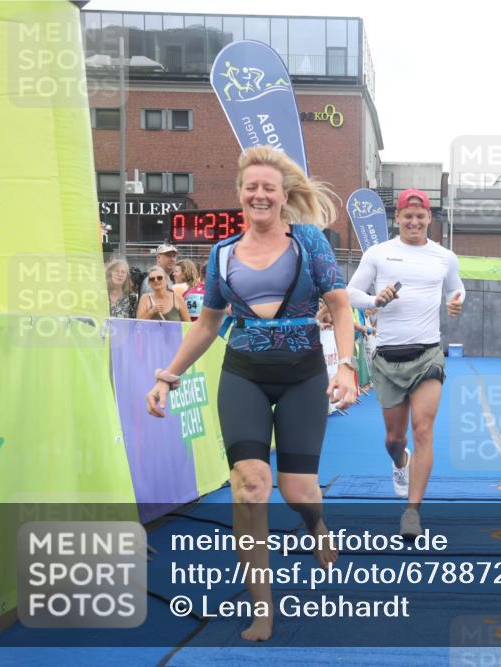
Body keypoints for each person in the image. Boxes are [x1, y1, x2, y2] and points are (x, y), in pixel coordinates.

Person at [145, 146, 357, 642]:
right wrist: (167, 376)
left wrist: (345, 365)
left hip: (303, 373)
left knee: (299, 491)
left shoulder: (309, 242)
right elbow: (206, 326)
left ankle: (317, 527)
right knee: (251, 484)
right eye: (251, 187)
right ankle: (263, 609)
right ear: (241, 194)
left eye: (269, 188)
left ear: (284, 196)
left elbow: (341, 307)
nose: (260, 195)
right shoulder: (222, 255)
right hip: (243, 373)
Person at [345, 188, 465, 538]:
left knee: (423, 430)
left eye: (420, 215)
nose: (414, 221)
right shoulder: (379, 253)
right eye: (407, 216)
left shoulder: (444, 256)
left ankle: (412, 511)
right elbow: (349, 292)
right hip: (388, 357)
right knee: (394, 439)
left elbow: (456, 289)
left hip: (428, 353)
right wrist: (373, 299)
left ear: (430, 218)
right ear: (396, 218)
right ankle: (400, 463)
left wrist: (456, 302)